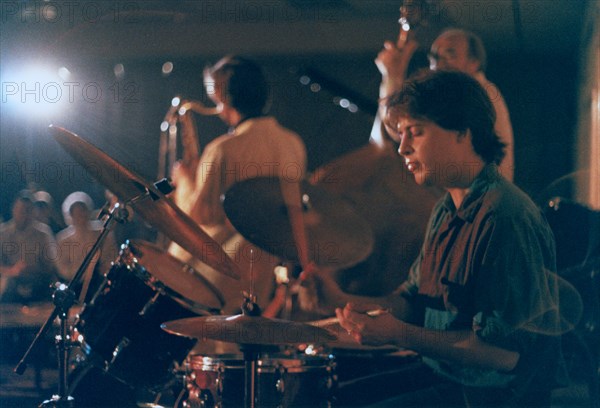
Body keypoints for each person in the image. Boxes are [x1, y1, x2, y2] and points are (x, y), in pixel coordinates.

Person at [309, 70, 578, 407]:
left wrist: (396, 334)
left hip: (492, 395)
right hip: (447, 375)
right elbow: (413, 302)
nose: (402, 147)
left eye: (415, 133)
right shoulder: (445, 209)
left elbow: (503, 355)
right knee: (329, 396)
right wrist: (341, 297)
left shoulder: (505, 216)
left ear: (462, 133)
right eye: (401, 134)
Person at [168, 55, 307, 318]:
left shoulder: (222, 150)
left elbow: (198, 217)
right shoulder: (293, 143)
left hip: (212, 276)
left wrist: (184, 180)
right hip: (260, 275)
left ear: (221, 93)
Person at [372, 27, 515, 181]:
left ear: (474, 62)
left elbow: (397, 128)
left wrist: (393, 75)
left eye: (449, 54)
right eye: (434, 58)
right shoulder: (478, 90)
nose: (439, 64)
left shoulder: (471, 91)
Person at [55, 191, 118, 303]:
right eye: (76, 212)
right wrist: (80, 274)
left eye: (82, 211)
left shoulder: (102, 234)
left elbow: (111, 258)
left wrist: (101, 270)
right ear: (70, 215)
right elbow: (62, 267)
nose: (80, 215)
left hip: (98, 285)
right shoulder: (62, 240)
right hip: (73, 287)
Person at [0, 190, 59, 304]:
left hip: (38, 280)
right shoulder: (2, 233)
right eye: (20, 210)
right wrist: (13, 270)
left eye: (27, 210)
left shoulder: (43, 233)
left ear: (33, 212)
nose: (23, 214)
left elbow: (52, 264)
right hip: (11, 282)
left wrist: (33, 269)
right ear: (13, 209)